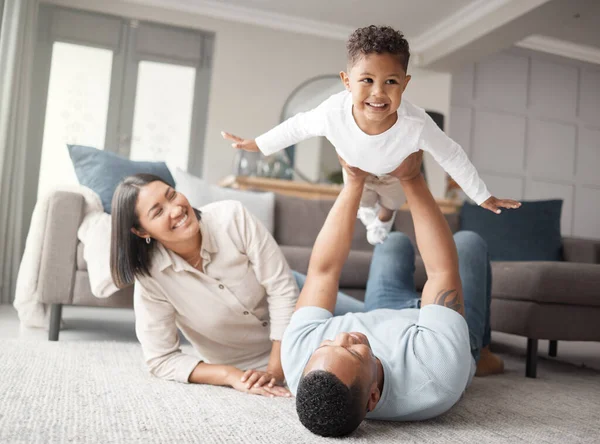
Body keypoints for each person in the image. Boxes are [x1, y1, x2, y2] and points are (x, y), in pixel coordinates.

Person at [222, 25, 520, 245]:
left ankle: (384, 219)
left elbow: (450, 154)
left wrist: (481, 195)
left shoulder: (416, 124)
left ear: (405, 84)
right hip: (356, 169)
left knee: (391, 200)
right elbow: (297, 126)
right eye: (367, 80)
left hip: (393, 173)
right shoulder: (331, 113)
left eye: (391, 81)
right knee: (363, 201)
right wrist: (258, 144)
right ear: (347, 81)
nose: (378, 93)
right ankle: (370, 216)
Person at [280, 151, 509, 437]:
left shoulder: (297, 359)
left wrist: (353, 181)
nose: (343, 337)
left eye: (328, 345)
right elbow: (441, 271)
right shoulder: (436, 373)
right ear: (373, 397)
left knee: (393, 243)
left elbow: (323, 272)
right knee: (468, 242)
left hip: (383, 310)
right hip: (444, 336)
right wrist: (412, 177)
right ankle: (483, 349)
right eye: (353, 352)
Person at [109, 174, 360, 398]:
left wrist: (275, 369)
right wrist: (230, 375)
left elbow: (282, 290)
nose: (175, 209)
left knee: (381, 319)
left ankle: (391, 249)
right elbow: (161, 359)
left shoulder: (231, 216)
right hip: (262, 352)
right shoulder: (152, 279)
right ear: (141, 231)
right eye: (158, 212)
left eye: (172, 195)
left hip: (300, 299)